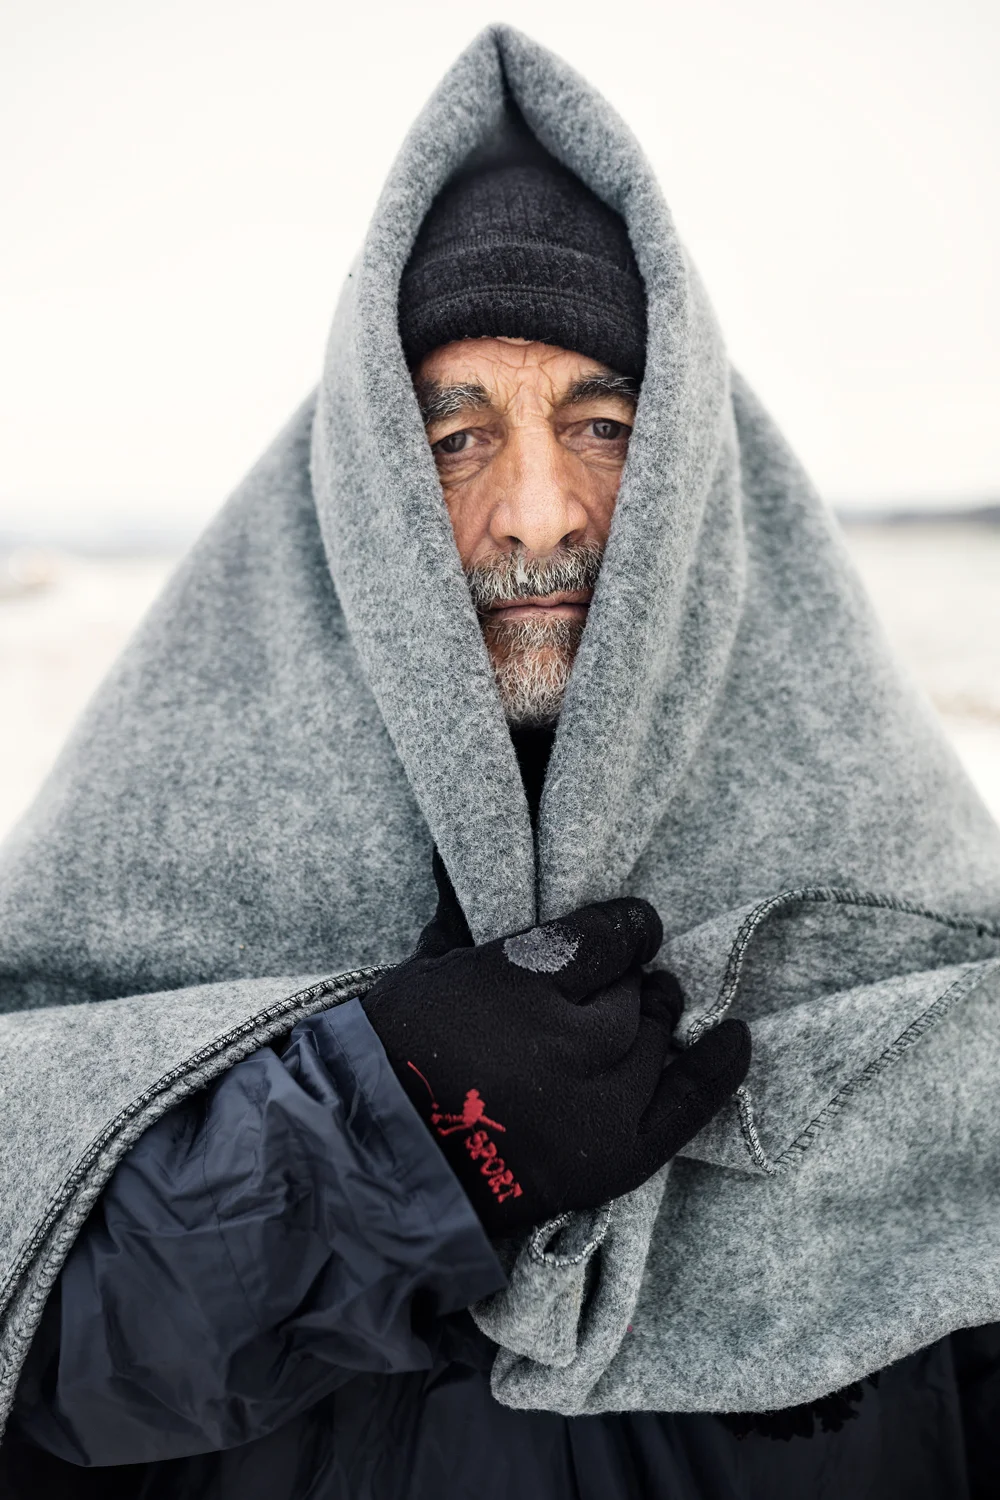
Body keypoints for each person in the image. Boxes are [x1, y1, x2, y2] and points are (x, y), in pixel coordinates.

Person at [1, 24, 1000, 1500]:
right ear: (366, 488)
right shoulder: (160, 839)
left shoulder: (904, 918)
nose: (538, 513)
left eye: (600, 423)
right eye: (455, 436)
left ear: (690, 477)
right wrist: (388, 1130)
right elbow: (47, 1366)